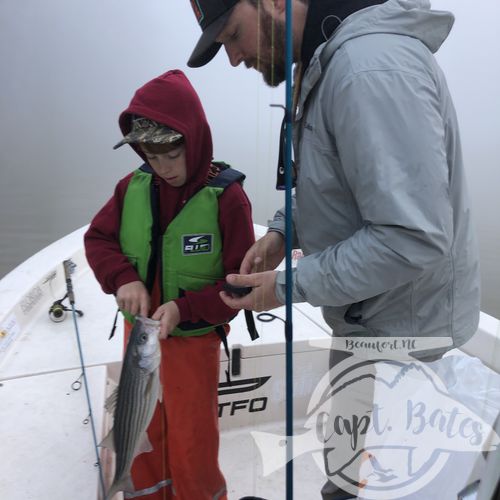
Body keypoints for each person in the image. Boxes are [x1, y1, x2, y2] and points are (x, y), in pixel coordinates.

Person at [186, 0, 481, 498]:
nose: (233, 58)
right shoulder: (332, 60)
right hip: (368, 326)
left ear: (273, 4)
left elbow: (413, 237)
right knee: (346, 477)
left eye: (232, 35)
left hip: (399, 346)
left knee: (376, 483)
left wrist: (286, 286)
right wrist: (283, 233)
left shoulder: (368, 69)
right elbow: (340, 188)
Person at [84, 69, 255, 500]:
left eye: (171, 155)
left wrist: (184, 309)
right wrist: (122, 278)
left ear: (193, 139)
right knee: (140, 436)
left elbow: (238, 286)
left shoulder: (227, 198)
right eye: (150, 155)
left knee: (192, 438)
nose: (162, 167)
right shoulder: (131, 188)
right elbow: (98, 240)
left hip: (192, 343)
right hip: (139, 334)